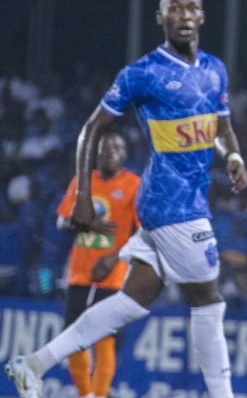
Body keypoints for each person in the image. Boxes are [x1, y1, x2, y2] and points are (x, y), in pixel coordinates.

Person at [6, 0, 247, 398]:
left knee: (132, 300)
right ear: (160, 18)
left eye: (191, 8)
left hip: (180, 200)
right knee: (209, 302)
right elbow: (91, 130)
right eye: (174, 9)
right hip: (173, 206)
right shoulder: (143, 73)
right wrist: (83, 194)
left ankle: (34, 364)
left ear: (203, 16)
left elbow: (222, 125)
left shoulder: (214, 69)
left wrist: (233, 155)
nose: (184, 16)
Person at [54, 132, 140, 398]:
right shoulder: (83, 181)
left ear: (124, 154)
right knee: (74, 335)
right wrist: (89, 223)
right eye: (106, 147)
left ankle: (99, 394)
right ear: (97, 152)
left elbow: (143, 230)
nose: (112, 151)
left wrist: (116, 257)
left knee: (106, 337)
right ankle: (85, 393)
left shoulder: (133, 184)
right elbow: (62, 221)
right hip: (80, 270)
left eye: (118, 147)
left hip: (113, 273)